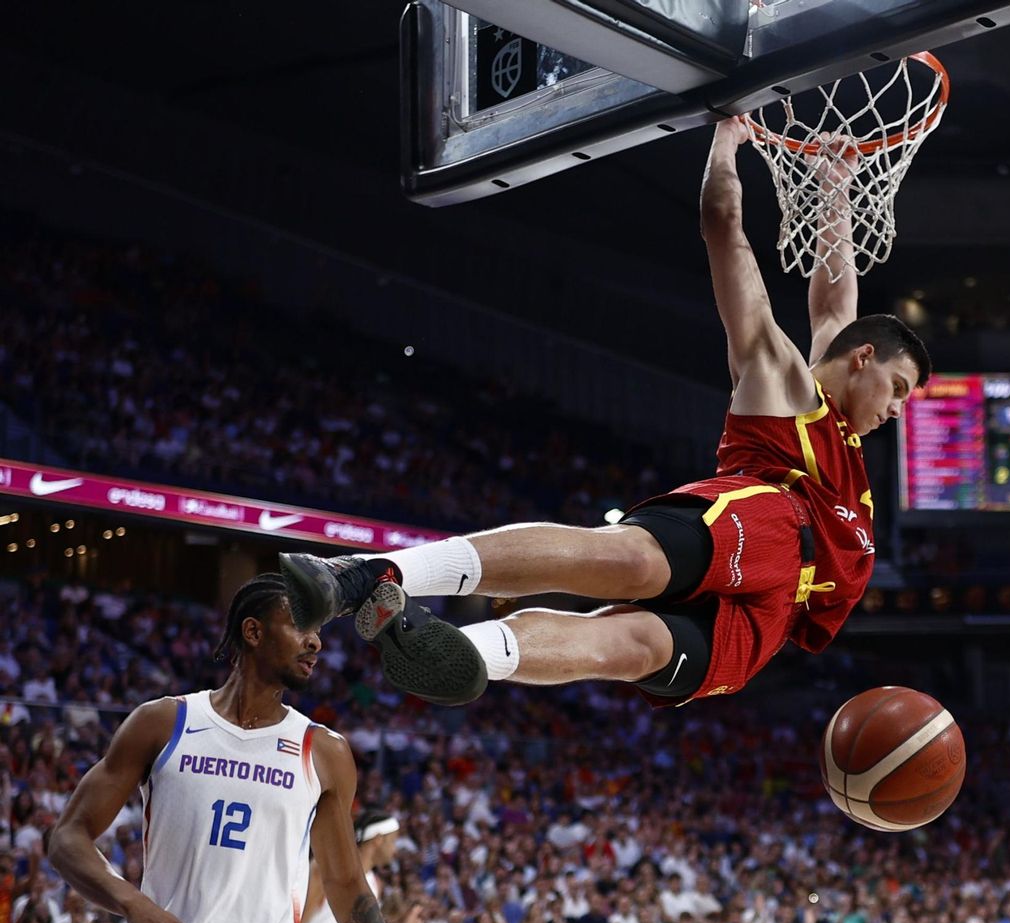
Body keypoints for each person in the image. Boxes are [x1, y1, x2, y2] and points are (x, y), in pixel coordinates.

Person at [278, 117, 929, 708]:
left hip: (770, 616)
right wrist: (727, 141)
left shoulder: (842, 431)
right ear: (864, 359)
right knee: (632, 563)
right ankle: (367, 574)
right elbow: (724, 232)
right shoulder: (782, 380)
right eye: (899, 387)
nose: (899, 410)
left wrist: (838, 189)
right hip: (765, 528)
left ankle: (465, 651)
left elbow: (836, 306)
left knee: (632, 647)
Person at [46, 574, 425, 923]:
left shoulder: (324, 752)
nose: (316, 641)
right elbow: (66, 838)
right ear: (253, 632)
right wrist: (132, 904)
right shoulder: (164, 723)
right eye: (300, 626)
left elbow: (346, 881)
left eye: (319, 629)